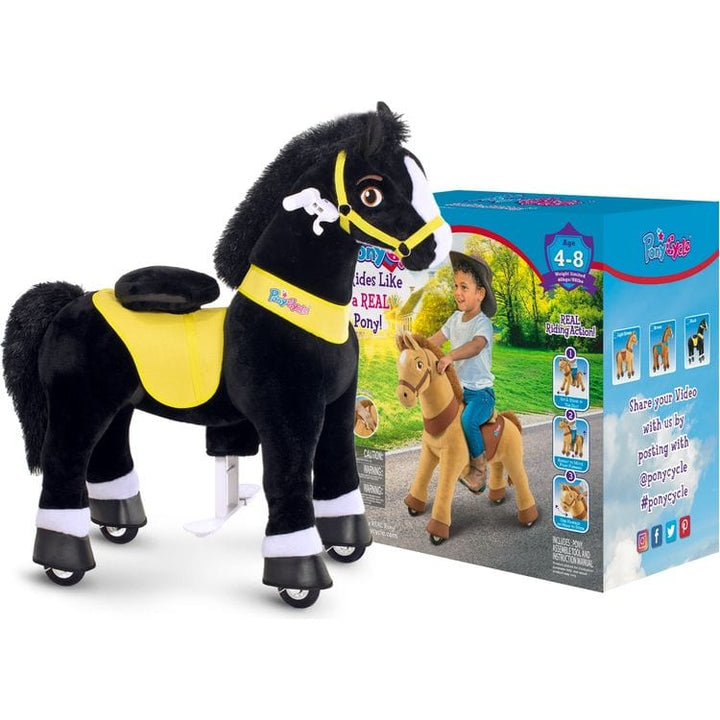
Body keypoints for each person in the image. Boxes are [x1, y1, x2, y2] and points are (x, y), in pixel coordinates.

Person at [428, 251, 496, 493]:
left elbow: (476, 346)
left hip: (480, 394)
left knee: (468, 420)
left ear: (480, 293)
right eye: (456, 286)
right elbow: (434, 341)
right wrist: (415, 347)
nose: (457, 292)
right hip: (457, 391)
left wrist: (450, 356)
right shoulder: (454, 319)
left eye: (464, 287)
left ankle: (479, 470)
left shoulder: (482, 323)